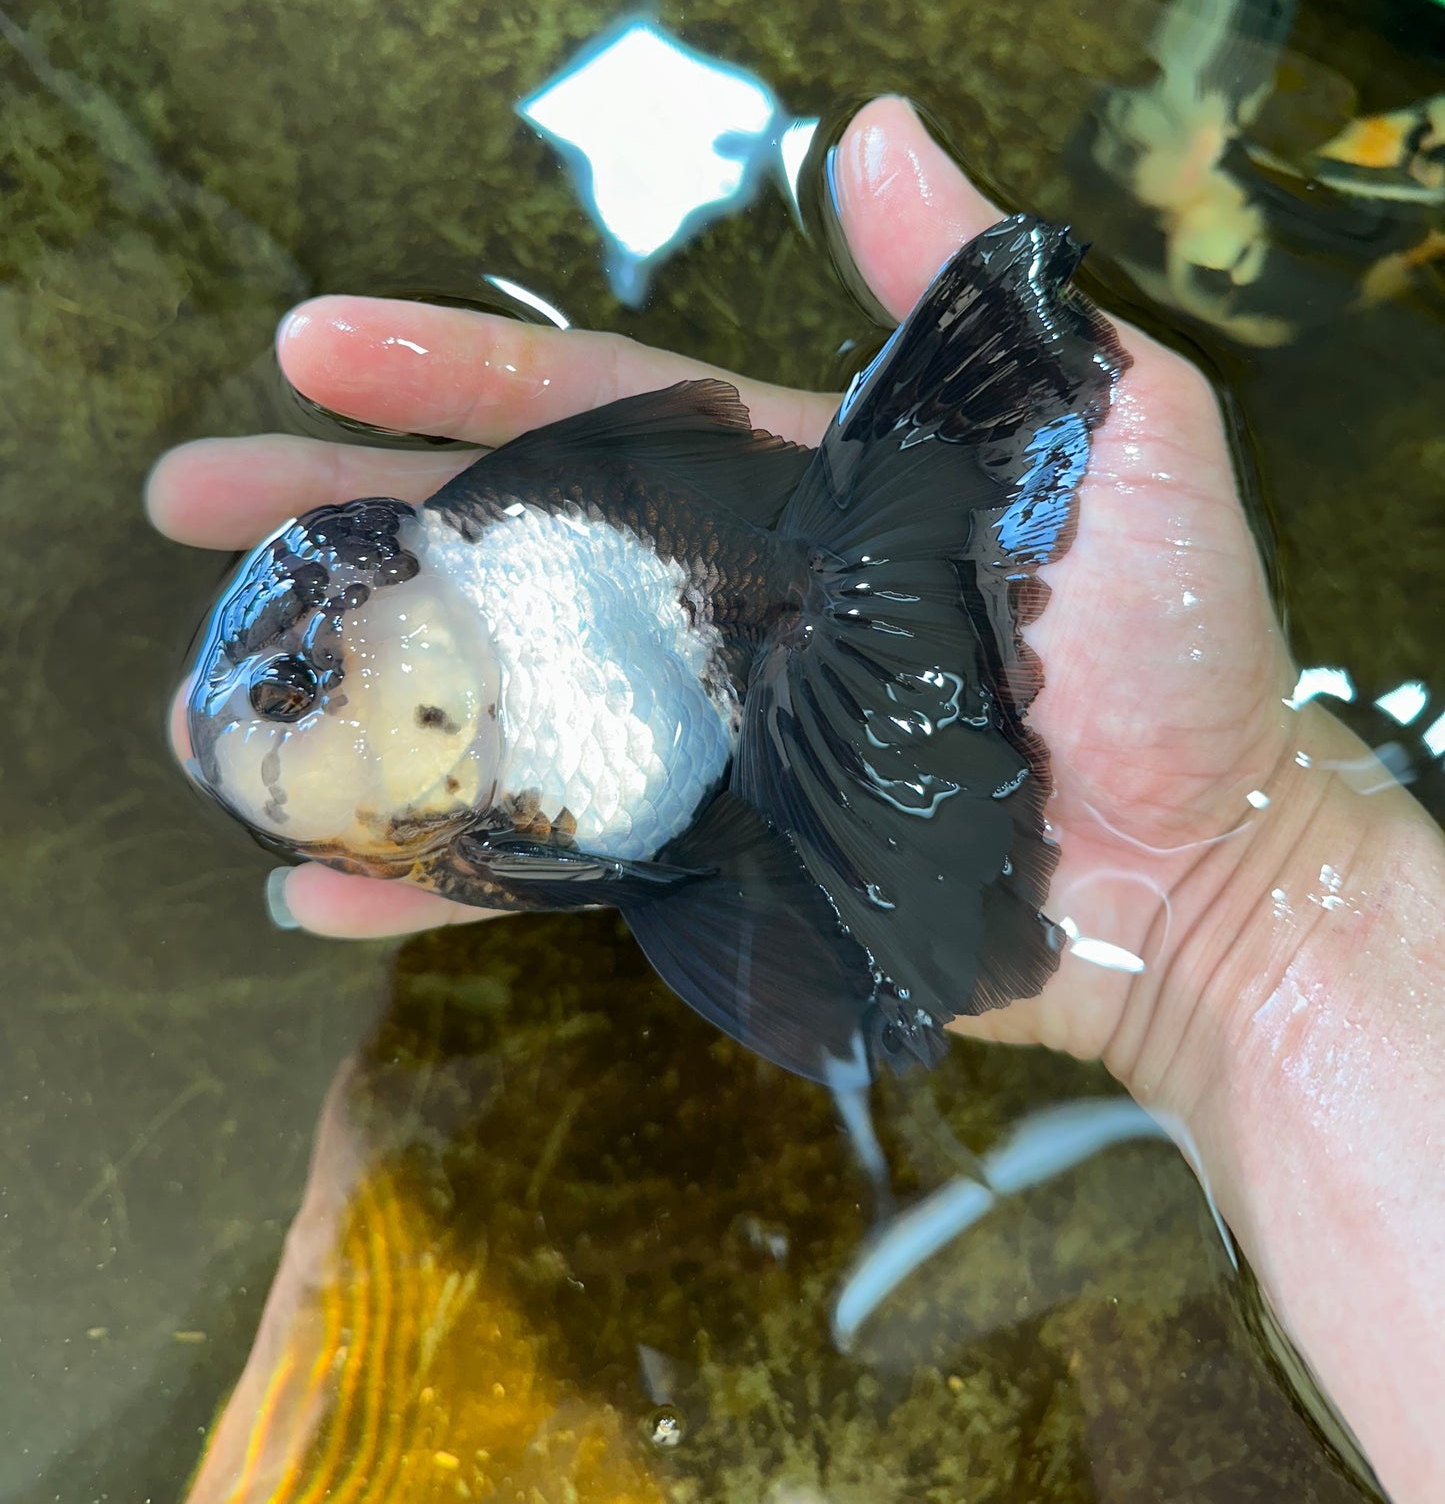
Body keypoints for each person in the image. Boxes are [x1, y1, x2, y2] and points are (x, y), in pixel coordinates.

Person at [148, 97, 1445, 1503]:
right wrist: (1241, 912)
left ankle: (914, 522)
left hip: (684, 662)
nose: (285, 714)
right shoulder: (462, 764)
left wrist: (1239, 910)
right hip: (685, 763)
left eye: (295, 689)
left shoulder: (490, 645)